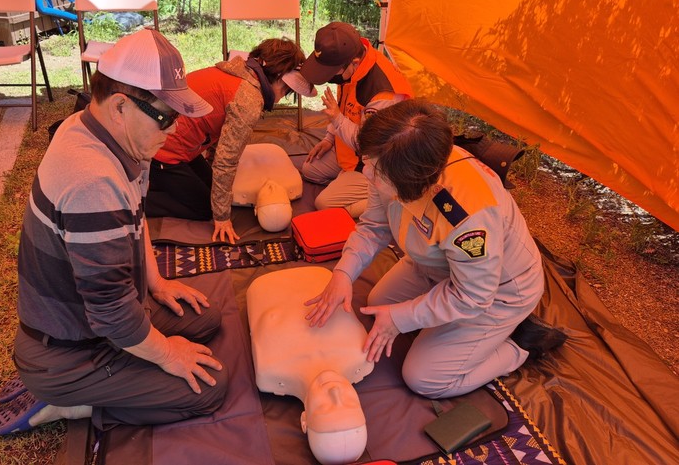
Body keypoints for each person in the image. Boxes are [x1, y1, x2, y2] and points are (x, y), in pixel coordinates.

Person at [0, 29, 229, 437]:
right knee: (208, 389)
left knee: (206, 318)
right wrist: (167, 354)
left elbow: (138, 214)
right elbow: (112, 314)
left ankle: (96, 376)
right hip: (71, 351)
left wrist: (156, 283)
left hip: (88, 323)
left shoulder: (101, 131)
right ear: (120, 106)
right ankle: (66, 403)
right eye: (167, 117)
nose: (174, 130)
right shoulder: (93, 183)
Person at [305, 99, 567, 399]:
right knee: (379, 303)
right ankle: (449, 328)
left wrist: (402, 318)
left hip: (496, 292)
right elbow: (374, 226)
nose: (366, 173)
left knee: (424, 378)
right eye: (367, 161)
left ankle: (521, 343)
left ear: (411, 180)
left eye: (374, 169)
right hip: (436, 266)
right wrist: (343, 273)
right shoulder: (394, 160)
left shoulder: (467, 216)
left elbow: (473, 295)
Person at [146, 38, 314, 243]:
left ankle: (160, 181)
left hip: (181, 143)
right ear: (278, 77)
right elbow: (226, 161)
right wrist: (222, 218)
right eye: (286, 90)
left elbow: (218, 136)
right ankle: (140, 199)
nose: (281, 98)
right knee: (205, 208)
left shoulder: (240, 71)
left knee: (213, 191)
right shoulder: (249, 100)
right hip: (162, 150)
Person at [247, 266, 374, 465]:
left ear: (304, 420)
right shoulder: (364, 355)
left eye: (324, 408)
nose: (335, 392)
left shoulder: (270, 370)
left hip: (266, 284)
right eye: (350, 403)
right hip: (323, 276)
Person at [299, 22, 413, 218]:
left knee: (324, 203)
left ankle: (390, 198)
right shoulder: (348, 68)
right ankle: (347, 183)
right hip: (350, 150)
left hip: (377, 163)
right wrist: (329, 139)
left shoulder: (383, 95)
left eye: (330, 71)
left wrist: (336, 119)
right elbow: (344, 106)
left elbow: (367, 145)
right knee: (309, 170)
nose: (328, 77)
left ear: (355, 62)